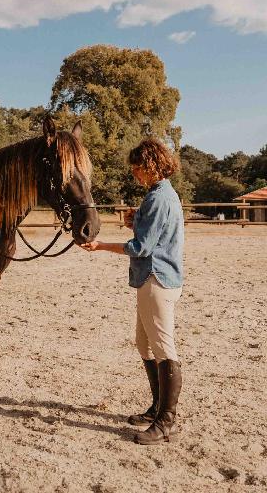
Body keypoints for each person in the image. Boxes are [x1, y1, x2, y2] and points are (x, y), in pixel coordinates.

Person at [80, 139, 184, 444]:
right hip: (153, 279)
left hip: (156, 279)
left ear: (149, 165)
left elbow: (142, 247)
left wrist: (100, 247)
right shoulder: (161, 194)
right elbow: (154, 233)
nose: (135, 174)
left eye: (137, 168)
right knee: (144, 344)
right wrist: (134, 222)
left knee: (164, 349)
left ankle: (167, 421)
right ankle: (157, 408)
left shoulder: (157, 198)